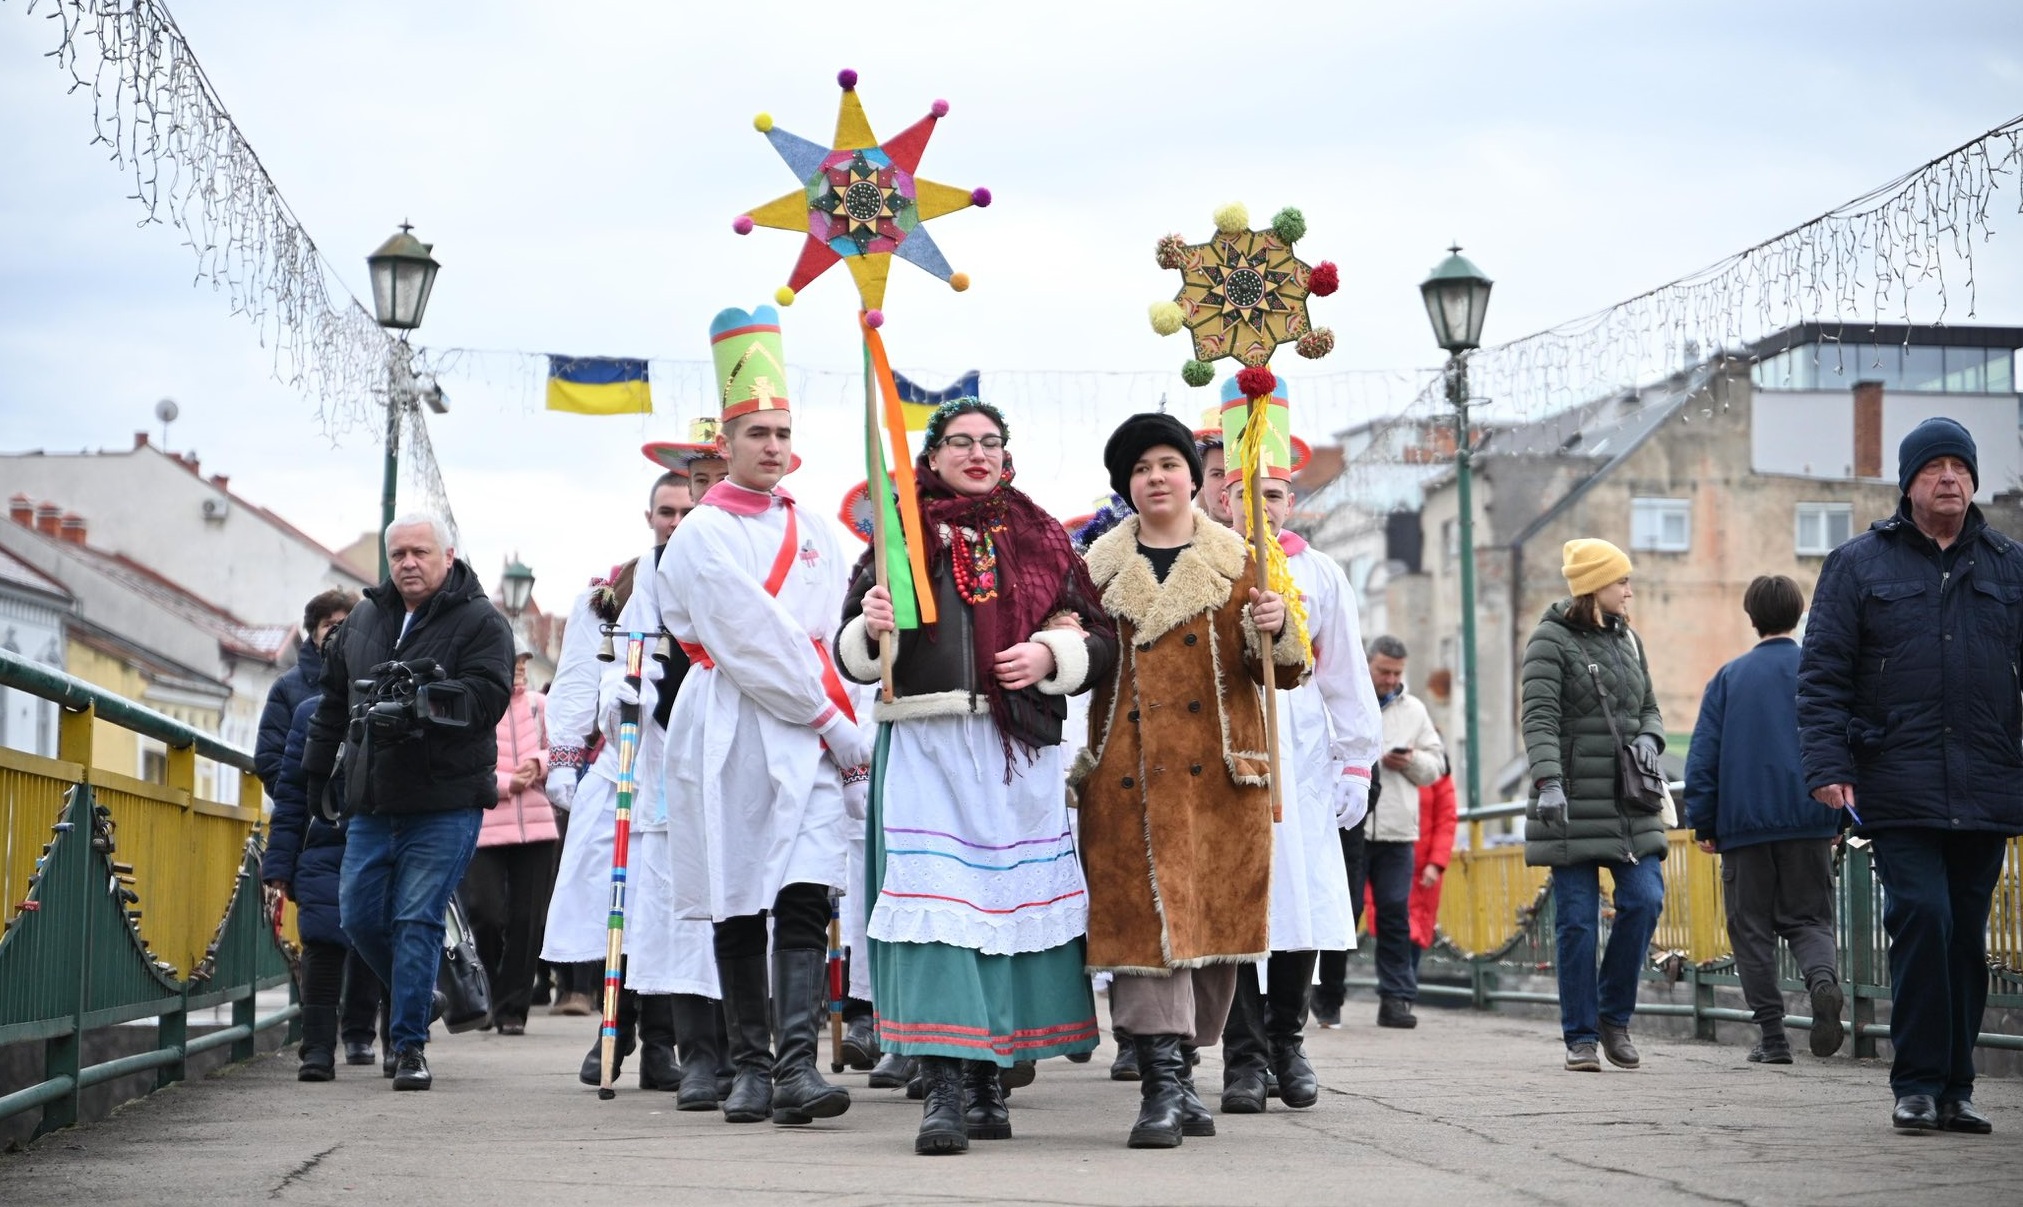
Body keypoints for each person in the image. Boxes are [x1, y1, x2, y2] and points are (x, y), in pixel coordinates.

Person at [838, 397, 1117, 1155]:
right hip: (926, 743)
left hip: (1015, 747)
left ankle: (995, 1078)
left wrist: (1050, 657)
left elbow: (1099, 637)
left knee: (1004, 916)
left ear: (1006, 454)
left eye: (989, 441)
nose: (975, 453)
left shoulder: (1042, 536)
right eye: (958, 442)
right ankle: (947, 1088)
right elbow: (849, 649)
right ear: (930, 458)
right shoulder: (895, 533)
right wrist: (870, 626)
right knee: (939, 917)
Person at [653, 304, 865, 1127]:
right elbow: (755, 642)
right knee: (742, 893)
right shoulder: (700, 533)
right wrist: (830, 715)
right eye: (756, 433)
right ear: (726, 444)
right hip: (740, 724)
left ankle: (796, 1066)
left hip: (808, 730)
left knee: (805, 891)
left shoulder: (816, 528)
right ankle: (747, 1068)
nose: (772, 445)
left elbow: (825, 628)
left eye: (782, 431)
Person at [1073, 412, 1307, 1149]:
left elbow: (1286, 671)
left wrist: (1274, 626)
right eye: (1140, 468)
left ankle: (1182, 1064)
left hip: (1218, 777)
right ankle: (1160, 1085)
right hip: (1126, 776)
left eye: (1168, 463)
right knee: (1142, 936)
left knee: (1211, 936)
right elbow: (1075, 656)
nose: (1156, 477)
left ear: (1189, 475)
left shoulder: (1243, 561)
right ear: (1126, 486)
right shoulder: (1094, 570)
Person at [1799, 417, 2023, 1134]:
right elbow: (1822, 674)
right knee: (1920, 915)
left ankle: (1956, 1088)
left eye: (1960, 465)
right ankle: (1916, 1081)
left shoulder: (2007, 566)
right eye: (1934, 467)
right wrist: (1828, 765)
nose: (1949, 477)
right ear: (1908, 481)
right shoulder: (1857, 564)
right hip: (1894, 779)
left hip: (1986, 780)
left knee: (1964, 934)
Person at [302, 512, 514, 1092]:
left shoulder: (482, 622)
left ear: (448, 556)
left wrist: (423, 700)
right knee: (357, 915)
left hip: (447, 799)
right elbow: (332, 703)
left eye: (420, 553)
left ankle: (409, 1047)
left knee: (416, 917)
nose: (408, 564)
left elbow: (488, 698)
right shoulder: (367, 617)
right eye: (398, 555)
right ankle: (423, 995)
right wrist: (314, 778)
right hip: (373, 799)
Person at [542, 473, 716, 1100]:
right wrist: (565, 757)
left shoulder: (715, 576)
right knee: (623, 902)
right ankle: (619, 1029)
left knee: (674, 911)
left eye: (686, 512)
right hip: (628, 767)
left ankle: (666, 1040)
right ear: (649, 516)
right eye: (666, 511)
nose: (675, 521)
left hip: (688, 764)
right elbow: (576, 679)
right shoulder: (613, 593)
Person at [1213, 460, 1378, 1114]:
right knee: (1235, 902)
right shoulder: (1210, 563)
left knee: (1298, 896)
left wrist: (1357, 760)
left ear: (1291, 500)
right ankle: (1243, 1057)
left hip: (1301, 748)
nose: (1261, 506)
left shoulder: (1320, 572)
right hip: (1228, 741)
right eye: (1245, 494)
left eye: (1274, 493)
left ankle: (1286, 1040)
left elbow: (1344, 668)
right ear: (1224, 501)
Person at [1685, 574, 1845, 1066]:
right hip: (1813, 816)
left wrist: (1704, 822)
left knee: (1750, 928)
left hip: (1744, 827)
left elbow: (1703, 757)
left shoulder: (1730, 677)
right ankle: (1823, 982)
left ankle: (1773, 1039)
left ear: (1751, 618)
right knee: (1809, 918)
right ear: (1799, 615)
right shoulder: (1819, 671)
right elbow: (1845, 736)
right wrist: (1843, 818)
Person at [1520, 538, 1667, 1074]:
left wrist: (1652, 739)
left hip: (1629, 798)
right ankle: (1580, 1037)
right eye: (1621, 581)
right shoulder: (1548, 642)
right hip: (1570, 801)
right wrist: (1548, 782)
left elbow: (1650, 706)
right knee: (1577, 923)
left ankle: (1613, 1016)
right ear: (1594, 587)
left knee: (1645, 899)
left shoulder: (1630, 641)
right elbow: (1538, 720)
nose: (1629, 591)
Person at [255, 589, 385, 1069]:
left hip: (368, 837)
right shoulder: (302, 705)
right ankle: (315, 1049)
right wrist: (280, 864)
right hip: (322, 839)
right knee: (324, 942)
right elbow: (286, 789)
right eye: (332, 624)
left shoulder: (387, 706)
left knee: (372, 937)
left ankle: (368, 1038)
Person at [461, 643, 557, 1036]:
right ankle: (487, 993)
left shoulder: (539, 705)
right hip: (487, 823)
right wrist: (504, 783)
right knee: (485, 913)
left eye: (523, 662)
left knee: (527, 920)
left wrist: (541, 763)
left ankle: (512, 1008)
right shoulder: (479, 706)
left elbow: (565, 750)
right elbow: (465, 761)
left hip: (537, 827)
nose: (519, 668)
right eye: (513, 661)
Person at [1360, 636, 1444, 1029]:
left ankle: (1396, 1000)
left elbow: (1436, 766)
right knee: (1344, 914)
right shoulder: (1346, 697)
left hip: (1396, 830)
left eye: (1397, 673)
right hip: (1351, 826)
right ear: (1368, 665)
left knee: (1395, 913)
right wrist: (1377, 758)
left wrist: (1408, 761)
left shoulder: (1415, 711)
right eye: (1384, 671)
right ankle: (1326, 998)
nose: (1391, 680)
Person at [1407, 754, 1458, 980]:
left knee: (1415, 932)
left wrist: (1435, 864)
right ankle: (1398, 992)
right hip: (1388, 860)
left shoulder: (1438, 771)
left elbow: (1446, 819)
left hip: (1421, 869)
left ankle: (1403, 992)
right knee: (1391, 927)